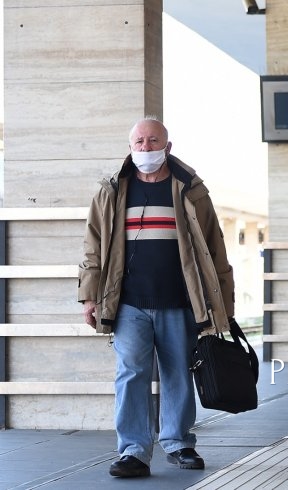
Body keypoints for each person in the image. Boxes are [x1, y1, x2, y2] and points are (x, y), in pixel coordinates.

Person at [78, 117, 235, 478]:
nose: (145, 148)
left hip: (181, 300)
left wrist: (222, 305)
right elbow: (93, 247)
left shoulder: (191, 190)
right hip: (128, 302)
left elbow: (215, 248)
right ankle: (133, 451)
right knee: (131, 373)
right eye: (139, 142)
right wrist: (89, 297)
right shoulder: (113, 191)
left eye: (152, 141)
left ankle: (179, 443)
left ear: (168, 146)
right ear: (130, 147)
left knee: (178, 372)